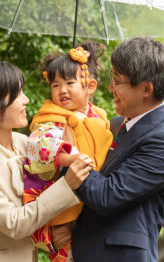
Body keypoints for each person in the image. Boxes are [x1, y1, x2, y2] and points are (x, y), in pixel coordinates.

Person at [0, 59, 93, 262]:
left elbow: (39, 206)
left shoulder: (26, 143)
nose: (26, 100)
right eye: (18, 95)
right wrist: (67, 184)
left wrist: (49, 238)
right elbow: (14, 223)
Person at [69, 37, 164, 262]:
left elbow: (107, 196)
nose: (111, 88)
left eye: (117, 81)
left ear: (146, 89)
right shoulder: (113, 124)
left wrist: (68, 153)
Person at [22, 41, 113, 262]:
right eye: (55, 85)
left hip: (93, 197)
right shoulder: (51, 118)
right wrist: (70, 158)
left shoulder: (99, 117)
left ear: (90, 86)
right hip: (60, 199)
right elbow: (40, 148)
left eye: (70, 83)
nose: (62, 90)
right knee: (65, 253)